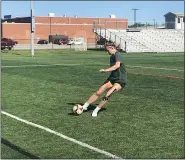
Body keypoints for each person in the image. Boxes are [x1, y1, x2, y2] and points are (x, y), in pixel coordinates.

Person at [82, 43, 128, 117]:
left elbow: (117, 66)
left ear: (112, 48)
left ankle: (96, 110)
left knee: (107, 94)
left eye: (107, 50)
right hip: (112, 78)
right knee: (99, 92)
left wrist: (105, 70)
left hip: (121, 80)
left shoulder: (117, 55)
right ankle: (85, 106)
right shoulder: (111, 57)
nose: (107, 52)